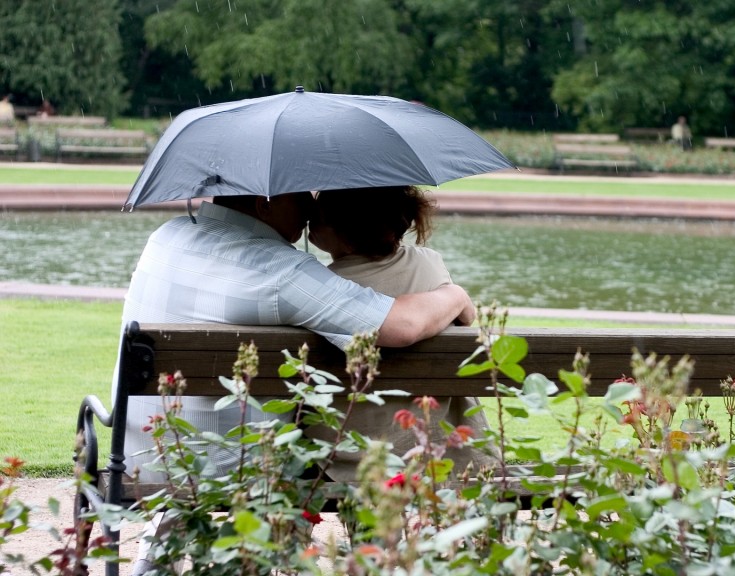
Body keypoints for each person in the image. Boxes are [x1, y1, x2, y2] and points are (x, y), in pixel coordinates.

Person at [121, 191, 475, 575]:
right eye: (299, 192)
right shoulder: (279, 269)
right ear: (263, 203)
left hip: (141, 449)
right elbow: (401, 326)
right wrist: (454, 294)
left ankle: (154, 562)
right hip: (235, 464)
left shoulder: (167, 236)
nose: (310, 204)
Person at [307, 186, 497, 481]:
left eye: (317, 215)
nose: (309, 219)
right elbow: (468, 317)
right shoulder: (429, 264)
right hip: (436, 445)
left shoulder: (323, 285)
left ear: (342, 230)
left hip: (347, 455)